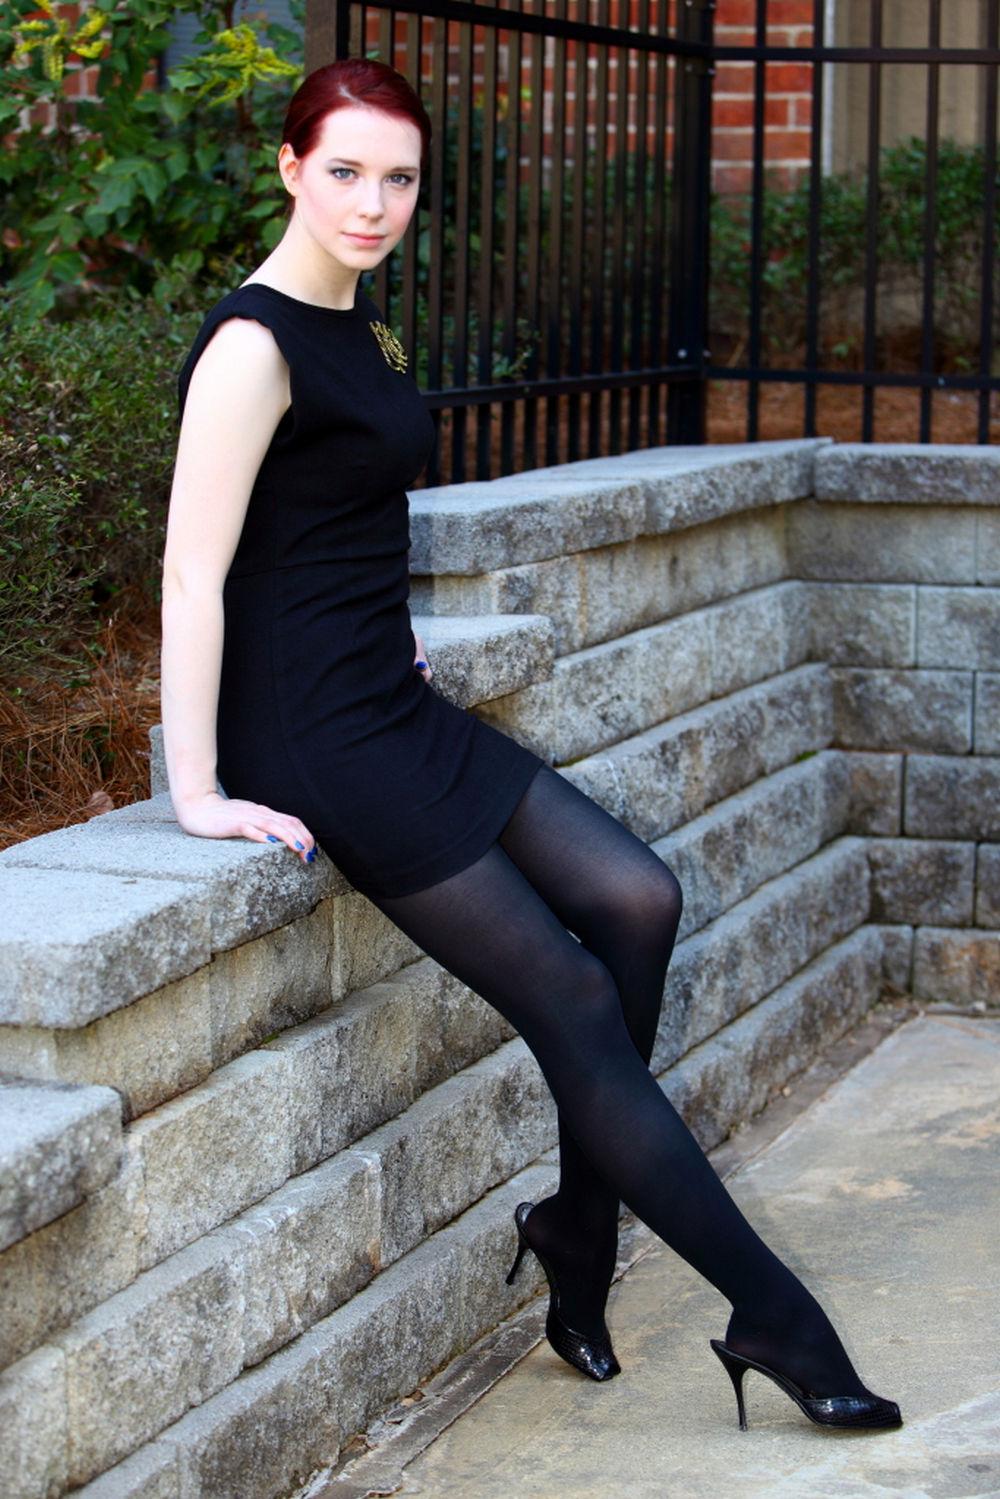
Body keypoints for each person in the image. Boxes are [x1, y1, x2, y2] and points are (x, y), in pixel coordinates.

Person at [161, 55, 902, 1433]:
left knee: (639, 900)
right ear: (286, 167)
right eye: (344, 173)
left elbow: (332, 522)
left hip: (388, 695)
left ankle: (573, 1224)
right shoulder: (253, 345)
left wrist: (387, 630)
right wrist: (197, 788)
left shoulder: (361, 327)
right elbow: (196, 575)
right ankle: (774, 1315)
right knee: (569, 999)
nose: (373, 204)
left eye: (400, 179)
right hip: (321, 742)